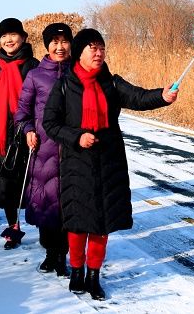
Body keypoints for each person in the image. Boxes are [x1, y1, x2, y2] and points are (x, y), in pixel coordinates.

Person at [42, 28, 178, 300]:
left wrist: (162, 96)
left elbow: (138, 97)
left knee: (102, 224)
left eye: (101, 47)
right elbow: (51, 123)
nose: (98, 52)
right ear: (79, 52)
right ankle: (77, 271)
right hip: (77, 162)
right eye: (92, 47)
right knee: (79, 222)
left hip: (109, 161)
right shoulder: (65, 85)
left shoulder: (112, 83)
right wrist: (77, 136)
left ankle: (94, 276)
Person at [14, 23, 73, 277]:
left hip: (73, 149)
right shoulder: (35, 75)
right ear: (47, 46)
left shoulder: (79, 72)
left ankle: (64, 255)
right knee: (47, 201)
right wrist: (28, 130)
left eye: (64, 42)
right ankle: (51, 252)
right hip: (44, 148)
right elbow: (22, 112)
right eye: (54, 42)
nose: (60, 47)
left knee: (69, 203)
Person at [0, 18, 39, 247]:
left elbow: (40, 101)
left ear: (23, 37)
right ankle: (14, 228)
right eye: (3, 36)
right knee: (5, 186)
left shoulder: (32, 65)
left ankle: (46, 228)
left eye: (13, 35)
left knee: (31, 183)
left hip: (25, 131)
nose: (8, 40)